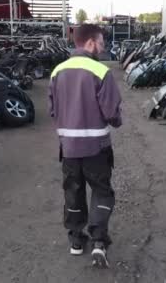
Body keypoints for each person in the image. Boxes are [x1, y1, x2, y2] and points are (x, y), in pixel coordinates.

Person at [48, 24, 123, 268]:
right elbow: (112, 113)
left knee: (73, 192)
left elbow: (52, 109)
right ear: (90, 43)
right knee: (101, 192)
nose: (103, 48)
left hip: (68, 149)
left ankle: (76, 241)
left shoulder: (57, 71)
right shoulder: (100, 71)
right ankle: (99, 242)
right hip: (96, 148)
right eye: (101, 43)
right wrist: (116, 120)